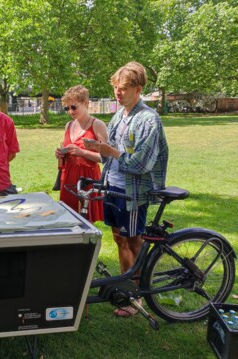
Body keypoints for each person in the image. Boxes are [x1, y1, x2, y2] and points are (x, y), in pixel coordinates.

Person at [84, 62, 168, 317]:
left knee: (133, 240)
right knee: (119, 238)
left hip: (133, 193)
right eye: (115, 89)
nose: (117, 94)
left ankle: (136, 297)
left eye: (122, 89)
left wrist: (110, 151)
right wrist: (96, 150)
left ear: (138, 89)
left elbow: (142, 164)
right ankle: (125, 286)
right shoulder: (119, 115)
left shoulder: (148, 119)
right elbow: (111, 156)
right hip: (114, 188)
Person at [55, 85, 108, 222]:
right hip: (68, 177)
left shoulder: (97, 125)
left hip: (87, 179)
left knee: (87, 222)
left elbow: (107, 158)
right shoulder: (69, 125)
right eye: (67, 108)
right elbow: (69, 150)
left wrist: (82, 152)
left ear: (86, 103)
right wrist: (61, 154)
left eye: (74, 107)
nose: (70, 112)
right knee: (68, 219)